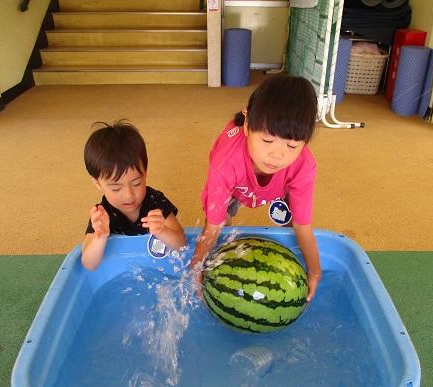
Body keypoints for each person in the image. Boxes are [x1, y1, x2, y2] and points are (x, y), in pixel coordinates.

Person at [189, 74, 322, 302]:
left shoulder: (303, 166)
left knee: (292, 220)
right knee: (223, 221)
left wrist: (314, 271)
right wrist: (196, 266)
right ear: (248, 124)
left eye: (292, 145)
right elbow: (212, 225)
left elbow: (303, 225)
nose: (277, 155)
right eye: (267, 140)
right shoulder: (225, 162)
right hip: (236, 183)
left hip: (281, 185)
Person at [81, 120, 185, 271]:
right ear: (97, 183)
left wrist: (163, 231)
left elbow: (181, 244)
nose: (129, 196)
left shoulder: (155, 202)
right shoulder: (102, 215)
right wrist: (100, 237)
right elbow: (89, 265)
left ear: (145, 172)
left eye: (136, 183)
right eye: (116, 188)